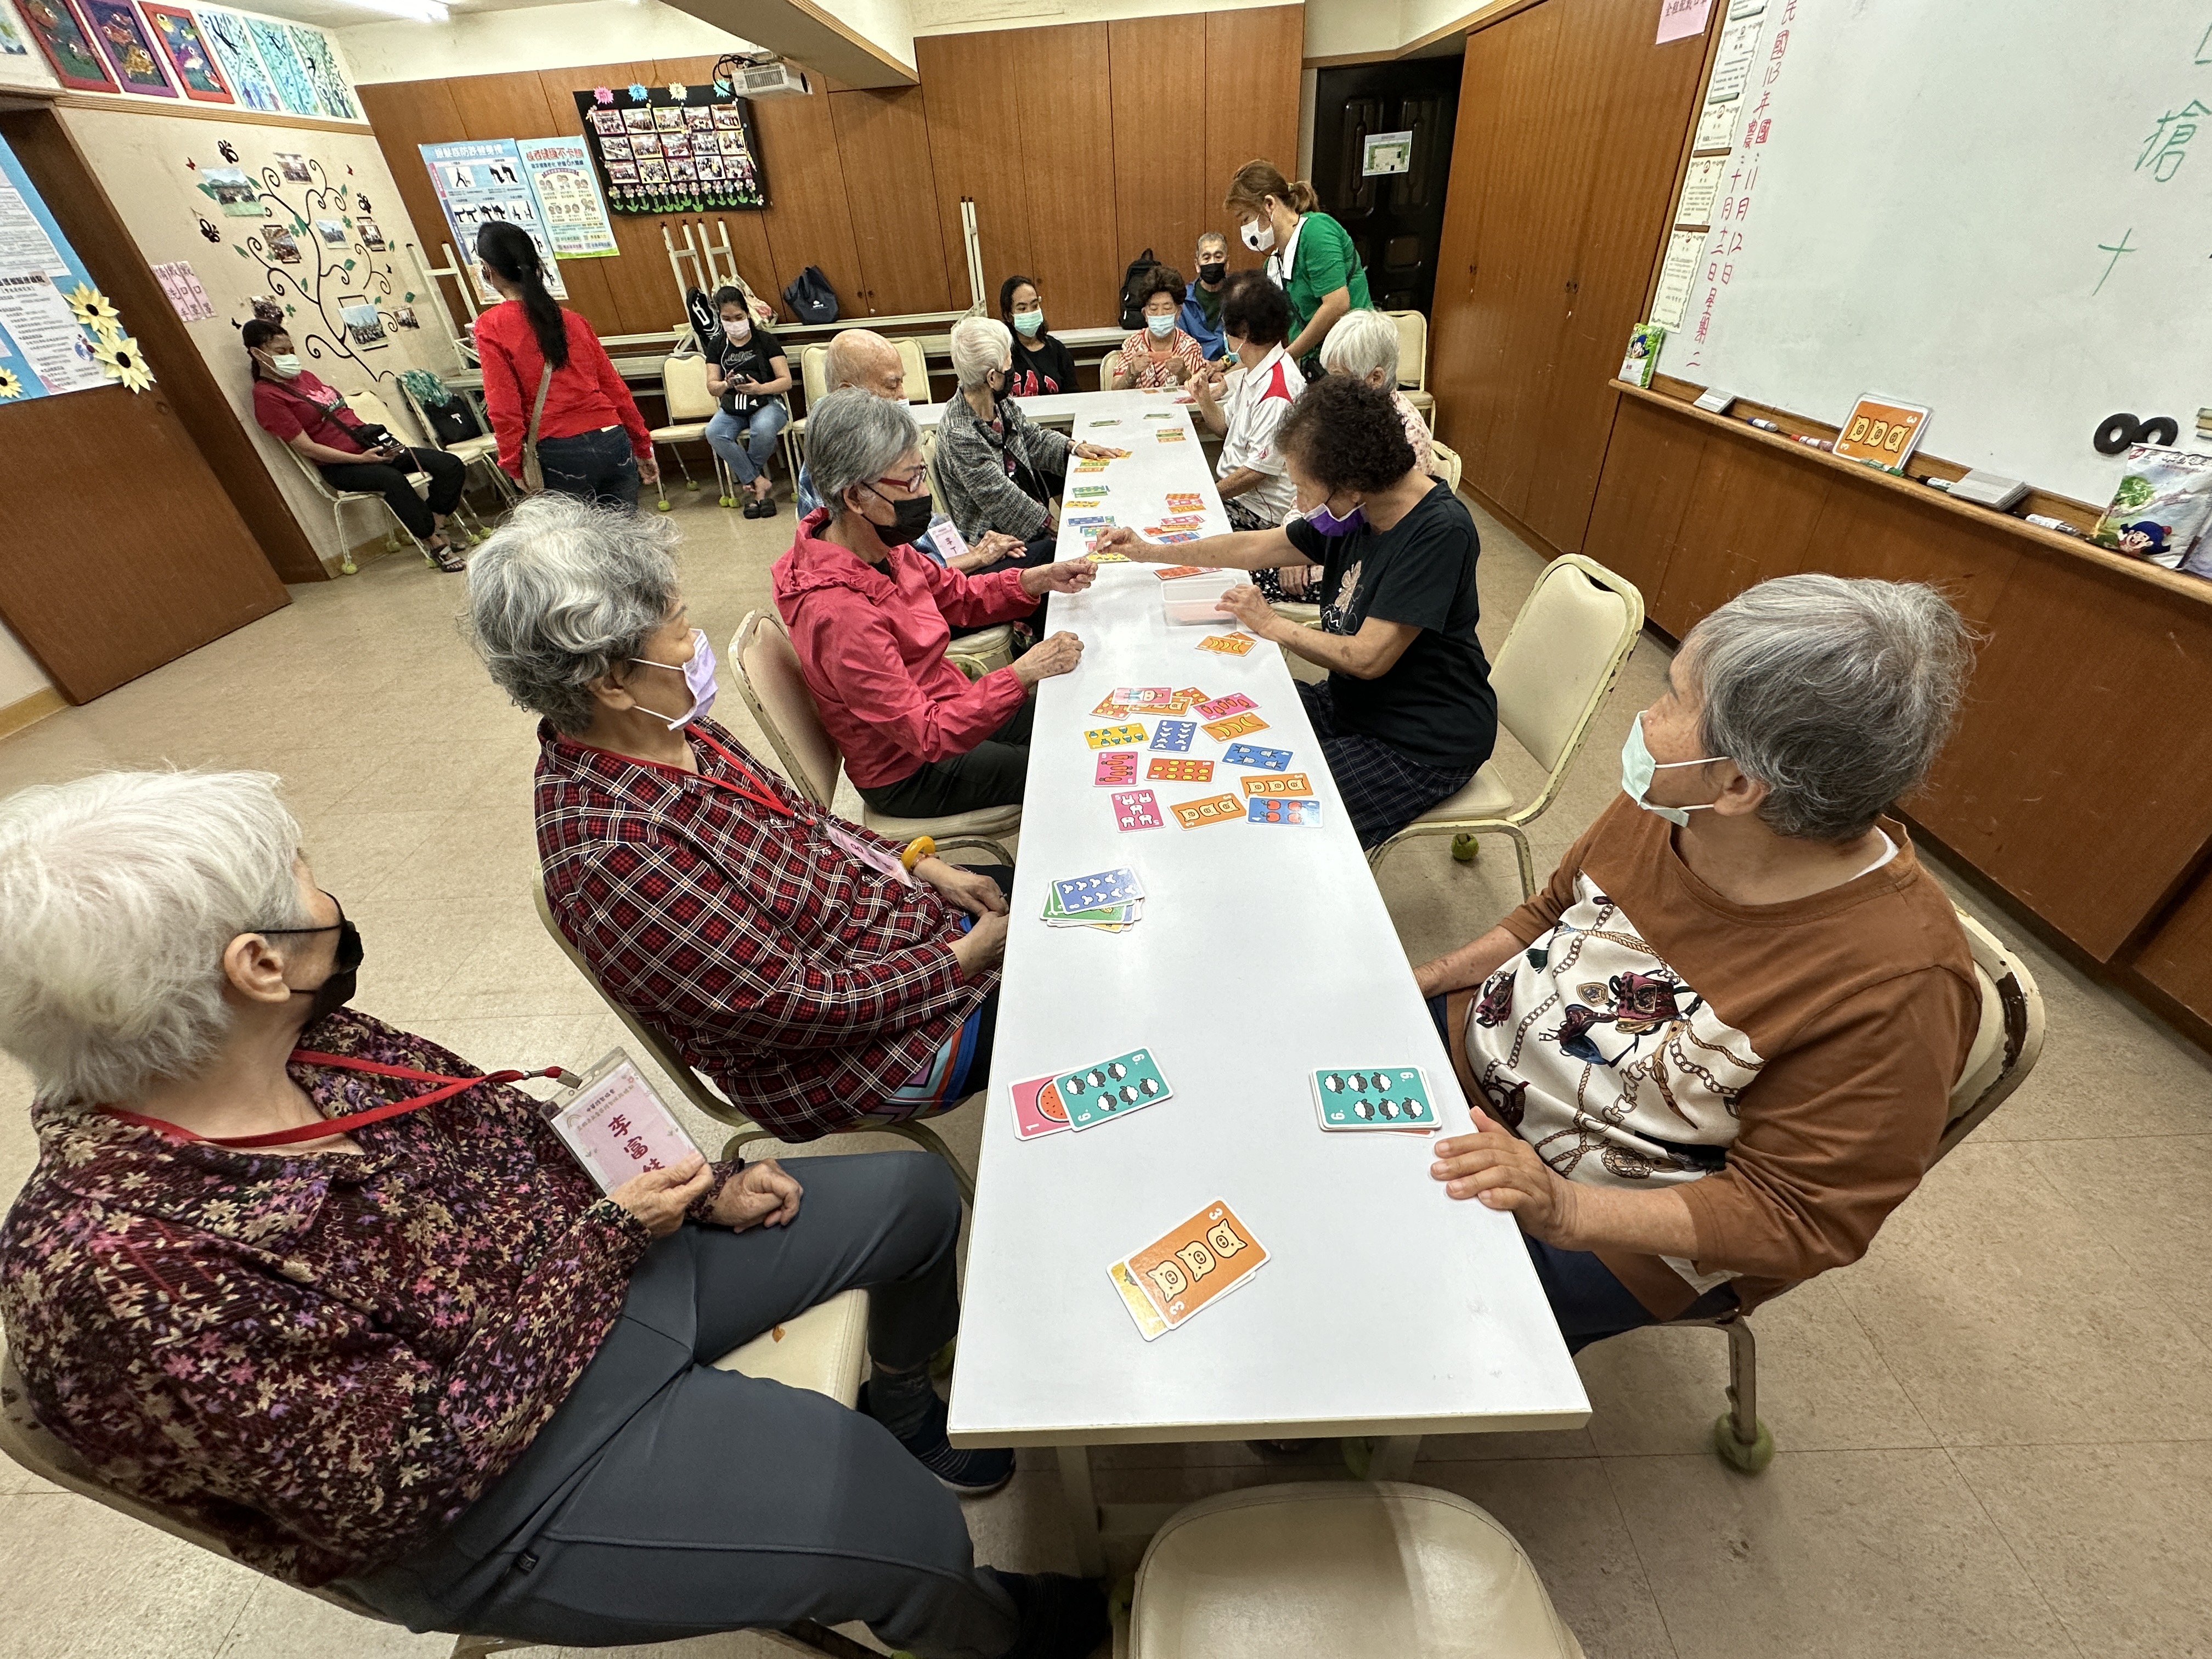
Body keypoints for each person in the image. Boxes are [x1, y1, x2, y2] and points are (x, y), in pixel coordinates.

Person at [0, 769, 1107, 1658]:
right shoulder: (114, 1273)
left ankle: (904, 1400)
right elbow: (399, 1485)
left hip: (586, 1278)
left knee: (911, 1198)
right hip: (487, 1494)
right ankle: (1000, 1633)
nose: (327, 901)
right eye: (306, 882)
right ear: (256, 963)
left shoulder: (312, 1040)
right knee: (889, 1525)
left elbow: (515, 1135)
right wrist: (614, 1241)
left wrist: (699, 1190)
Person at [1412, 576, 1980, 1355]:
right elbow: (1553, 911)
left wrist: (1567, 1211)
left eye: (1675, 700)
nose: (1646, 718)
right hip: (1486, 1067)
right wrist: (1437, 975)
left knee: (1381, 1291)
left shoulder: (1899, 986)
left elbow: (1798, 1217)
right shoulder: (1678, 803)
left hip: (1609, 1215)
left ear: (1742, 783)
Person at [466, 496, 1019, 1139]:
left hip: (886, 933)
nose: (695, 643)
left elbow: (809, 825)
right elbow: (788, 1005)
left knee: (1056, 898)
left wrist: (924, 864)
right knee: (1077, 980)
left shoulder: (670, 731)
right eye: (678, 627)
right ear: (612, 682)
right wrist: (960, 960)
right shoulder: (615, 853)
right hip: (845, 1055)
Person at [1097, 375, 1492, 849]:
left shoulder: (1439, 532)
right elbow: (1254, 547)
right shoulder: (1358, 512)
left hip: (1419, 739)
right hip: (1354, 704)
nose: (1300, 505)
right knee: (1214, 739)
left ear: (1351, 483)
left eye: (1304, 489)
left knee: (1273, 821)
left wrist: (1271, 624)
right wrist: (1151, 551)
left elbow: (1368, 658)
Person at [778, 389, 1097, 816]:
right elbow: (926, 733)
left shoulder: (882, 544)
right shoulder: (838, 613)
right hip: (909, 769)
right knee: (1065, 770)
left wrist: (1033, 581)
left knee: (1077, 717)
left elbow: (957, 596)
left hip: (949, 706)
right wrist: (1020, 673)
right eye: (910, 480)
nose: (923, 491)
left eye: (922, 473)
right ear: (855, 497)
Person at [242, 319, 466, 572]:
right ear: (257, 353)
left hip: (370, 445)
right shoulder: (267, 396)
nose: (289, 358)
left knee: (449, 464)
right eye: (280, 353)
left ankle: (435, 526)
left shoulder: (306, 377)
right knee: (392, 479)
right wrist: (361, 460)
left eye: (291, 351)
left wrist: (373, 449)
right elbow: (306, 448)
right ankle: (434, 543)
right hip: (342, 466)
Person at [473, 221, 658, 511]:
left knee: (574, 550)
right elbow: (614, 387)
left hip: (557, 449)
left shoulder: (491, 326)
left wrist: (513, 464)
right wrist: (641, 444)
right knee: (625, 546)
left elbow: (503, 406)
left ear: (488, 270)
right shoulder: (572, 319)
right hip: (612, 437)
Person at [938, 317, 1125, 557]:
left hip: (1028, 527)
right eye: (1008, 359)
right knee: (1075, 554)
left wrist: (1073, 447)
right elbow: (1001, 497)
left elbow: (1032, 438)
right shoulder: (960, 434)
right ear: (993, 378)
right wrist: (1057, 528)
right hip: (998, 544)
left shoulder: (998, 403)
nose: (1012, 365)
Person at [1185, 272, 1306, 548]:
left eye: (1227, 327)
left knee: (1186, 531)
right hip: (1238, 497)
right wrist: (1204, 398)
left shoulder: (1279, 389)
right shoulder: (1253, 371)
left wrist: (1208, 496)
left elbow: (1256, 472)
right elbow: (1224, 428)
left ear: (1244, 332)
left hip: (1261, 514)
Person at [1223, 159, 1373, 369]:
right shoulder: (1273, 264)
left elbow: (1337, 304)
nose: (1245, 228)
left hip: (1354, 359)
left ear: (1269, 204)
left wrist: (1287, 358)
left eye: (1245, 218)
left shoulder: (1317, 232)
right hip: (1316, 366)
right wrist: (1229, 374)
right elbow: (1276, 337)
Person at [702, 286, 790, 518]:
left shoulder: (766, 341)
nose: (734, 323)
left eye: (739, 317)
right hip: (734, 404)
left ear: (748, 314)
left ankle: (755, 491)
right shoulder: (717, 345)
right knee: (715, 432)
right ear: (719, 318)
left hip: (768, 400)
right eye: (727, 319)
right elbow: (712, 386)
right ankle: (759, 481)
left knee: (762, 430)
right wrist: (726, 385)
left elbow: (786, 381)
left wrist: (760, 388)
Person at [1319, 307, 1437, 479]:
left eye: (1340, 379)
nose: (1331, 387)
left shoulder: (1407, 435)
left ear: (1375, 378)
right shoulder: (1351, 409)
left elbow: (1402, 504)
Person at [1107, 264, 1207, 390]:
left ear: (1178, 312)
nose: (1160, 314)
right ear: (1145, 314)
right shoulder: (1132, 344)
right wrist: (1132, 372)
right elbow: (1116, 390)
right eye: (1153, 309)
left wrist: (1183, 374)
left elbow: (1202, 392)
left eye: (1167, 308)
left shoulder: (1190, 347)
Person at [1000, 275, 1079, 398]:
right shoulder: (1002, 354)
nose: (1030, 312)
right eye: (1022, 308)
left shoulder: (1057, 350)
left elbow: (1074, 396)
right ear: (1008, 316)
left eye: (1035, 305)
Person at [1178, 232, 1230, 360]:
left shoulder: (1239, 297)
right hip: (1194, 370)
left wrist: (1223, 364)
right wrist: (1203, 369)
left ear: (1227, 263)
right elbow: (1180, 347)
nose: (1212, 263)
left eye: (1218, 257)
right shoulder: (1183, 300)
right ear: (1197, 265)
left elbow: (1247, 345)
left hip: (1232, 369)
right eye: (1206, 258)